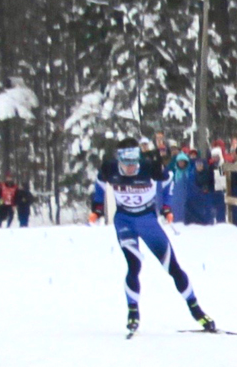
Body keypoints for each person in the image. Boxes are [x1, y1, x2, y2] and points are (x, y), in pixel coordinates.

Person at [91, 139, 216, 335]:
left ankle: (196, 310)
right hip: (124, 220)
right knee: (134, 264)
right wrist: (97, 209)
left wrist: (166, 207)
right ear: (120, 161)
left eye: (133, 164)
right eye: (126, 165)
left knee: (172, 267)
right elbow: (99, 185)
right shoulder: (110, 168)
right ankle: (133, 313)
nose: (130, 169)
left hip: (148, 220)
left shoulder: (150, 168)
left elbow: (168, 182)